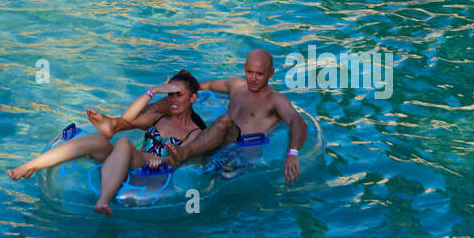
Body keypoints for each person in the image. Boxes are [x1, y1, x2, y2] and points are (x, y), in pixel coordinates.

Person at [84, 50, 311, 183]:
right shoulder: (236, 84)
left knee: (223, 121)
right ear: (244, 67)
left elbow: (296, 122)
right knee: (174, 99)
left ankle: (181, 153)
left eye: (260, 74)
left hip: (237, 150)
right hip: (210, 140)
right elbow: (209, 85)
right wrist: (186, 88)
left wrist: (292, 153)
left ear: (271, 73)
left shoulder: (275, 100)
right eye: (249, 71)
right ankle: (116, 124)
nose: (253, 78)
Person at [7, 71, 209, 214]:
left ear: (192, 98)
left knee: (123, 143)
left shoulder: (195, 132)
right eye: (170, 94)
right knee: (97, 140)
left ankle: (103, 200)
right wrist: (153, 91)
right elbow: (129, 118)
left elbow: (181, 158)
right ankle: (31, 165)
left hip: (150, 170)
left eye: (179, 95)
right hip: (131, 160)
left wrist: (162, 161)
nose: (173, 99)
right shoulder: (160, 118)